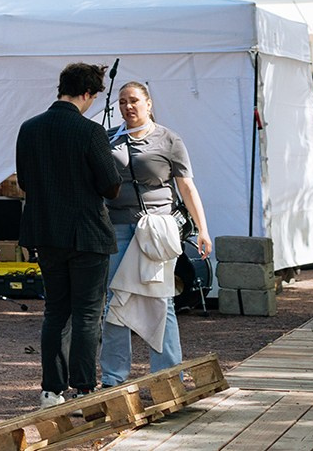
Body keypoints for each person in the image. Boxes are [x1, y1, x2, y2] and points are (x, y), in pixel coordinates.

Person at [15, 62, 122, 406]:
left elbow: (26, 183)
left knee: (55, 311)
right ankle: (85, 387)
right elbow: (110, 186)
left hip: (46, 232)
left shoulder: (28, 129)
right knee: (88, 313)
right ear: (88, 93)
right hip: (87, 234)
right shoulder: (91, 132)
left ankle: (51, 389)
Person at [100, 81, 212, 386]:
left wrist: (203, 230)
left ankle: (167, 376)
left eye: (134, 100)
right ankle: (113, 379)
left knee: (160, 300)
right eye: (122, 102)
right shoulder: (110, 138)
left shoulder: (169, 139)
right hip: (119, 227)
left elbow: (186, 187)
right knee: (116, 300)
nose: (128, 107)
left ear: (149, 104)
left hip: (157, 230)